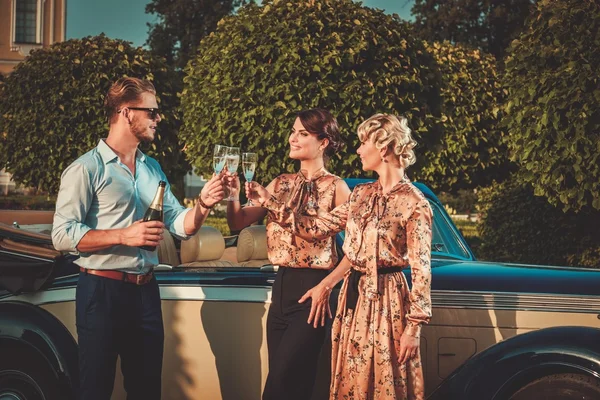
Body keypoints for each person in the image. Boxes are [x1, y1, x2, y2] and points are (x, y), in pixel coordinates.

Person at [51, 77, 225, 400]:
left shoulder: (152, 169)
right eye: (152, 112)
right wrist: (125, 235)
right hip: (100, 293)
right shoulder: (86, 169)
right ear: (126, 112)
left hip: (146, 293)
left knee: (146, 392)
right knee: (95, 391)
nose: (158, 119)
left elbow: (179, 224)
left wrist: (203, 204)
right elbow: (61, 234)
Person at [248, 113, 432, 400]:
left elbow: (422, 270)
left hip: (388, 300)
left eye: (363, 143)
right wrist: (270, 203)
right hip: (352, 300)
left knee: (383, 381)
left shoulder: (414, 202)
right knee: (350, 382)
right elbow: (317, 228)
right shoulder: (361, 194)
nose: (357, 150)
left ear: (383, 148)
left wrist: (414, 327)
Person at [226, 108, 351, 400]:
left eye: (302, 133)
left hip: (314, 293)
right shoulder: (281, 183)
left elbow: (355, 250)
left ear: (323, 142)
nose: (292, 138)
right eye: (293, 131)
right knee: (293, 386)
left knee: (280, 385)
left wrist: (327, 286)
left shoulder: (337, 187)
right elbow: (238, 222)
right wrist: (233, 194)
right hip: (280, 289)